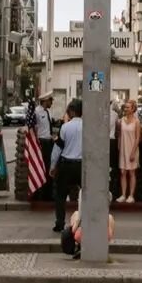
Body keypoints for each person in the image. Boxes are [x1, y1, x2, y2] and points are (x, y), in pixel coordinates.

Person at [50, 99, 84, 233]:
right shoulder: (87, 126)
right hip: (82, 165)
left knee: (60, 196)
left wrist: (53, 166)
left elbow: (58, 149)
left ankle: (59, 223)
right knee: (85, 195)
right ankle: (85, 222)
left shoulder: (65, 127)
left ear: (72, 111)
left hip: (66, 165)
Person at [116, 100, 142, 203]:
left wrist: (133, 152)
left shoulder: (136, 121)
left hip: (132, 149)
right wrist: (119, 147)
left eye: (128, 107)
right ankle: (123, 194)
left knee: (131, 172)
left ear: (133, 109)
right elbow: (119, 135)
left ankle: (131, 195)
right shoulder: (121, 120)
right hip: (123, 149)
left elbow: (137, 138)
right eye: (125, 107)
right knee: (122, 172)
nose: (126, 109)